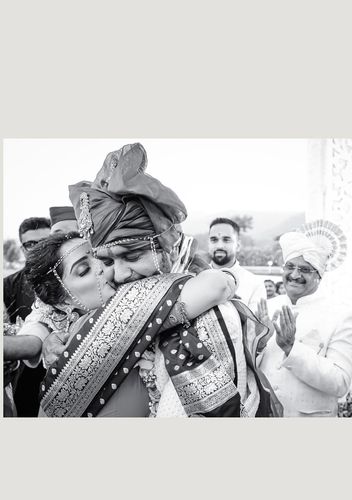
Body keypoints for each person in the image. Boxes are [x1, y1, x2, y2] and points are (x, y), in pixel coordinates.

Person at [41, 143, 278, 417]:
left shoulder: (213, 316)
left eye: (131, 255)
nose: (118, 274)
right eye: (106, 261)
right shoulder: (99, 316)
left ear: (168, 248)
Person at [257, 222, 352, 417]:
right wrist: (258, 343)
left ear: (319, 275)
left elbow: (341, 383)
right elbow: (249, 366)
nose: (295, 275)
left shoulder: (340, 315)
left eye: (304, 269)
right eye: (290, 267)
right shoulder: (268, 307)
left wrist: (291, 348)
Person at [3, 216, 51, 416]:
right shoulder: (8, 284)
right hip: (24, 374)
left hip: (66, 369)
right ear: (22, 249)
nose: (37, 248)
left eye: (43, 243)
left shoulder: (69, 277)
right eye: (31, 244)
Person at [208, 217, 266, 313]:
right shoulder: (194, 277)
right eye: (214, 240)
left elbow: (254, 326)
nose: (219, 246)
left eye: (226, 240)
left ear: (238, 246)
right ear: (208, 244)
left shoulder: (254, 283)